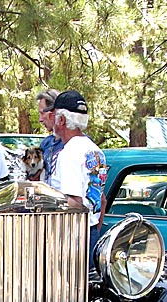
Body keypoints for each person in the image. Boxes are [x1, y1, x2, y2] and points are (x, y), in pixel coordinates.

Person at [49, 90, 108, 267]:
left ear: (61, 120)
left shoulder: (69, 154)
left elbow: (74, 202)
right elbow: (101, 200)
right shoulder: (96, 151)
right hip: (91, 231)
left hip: (71, 237)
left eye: (54, 116)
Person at [35, 88, 63, 186]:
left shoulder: (75, 144)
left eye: (42, 113)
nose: (40, 119)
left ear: (54, 112)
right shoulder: (46, 143)